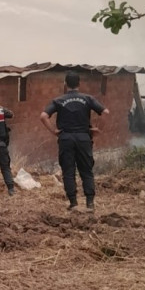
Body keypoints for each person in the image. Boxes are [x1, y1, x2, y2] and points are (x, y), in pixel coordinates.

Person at [40, 70, 109, 211]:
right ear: (79, 83)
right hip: (84, 138)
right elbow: (105, 112)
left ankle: (73, 203)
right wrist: (98, 129)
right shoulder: (88, 99)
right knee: (86, 171)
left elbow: (43, 116)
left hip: (66, 138)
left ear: (65, 84)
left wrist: (54, 131)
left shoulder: (58, 100)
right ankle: (90, 203)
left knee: (68, 171)